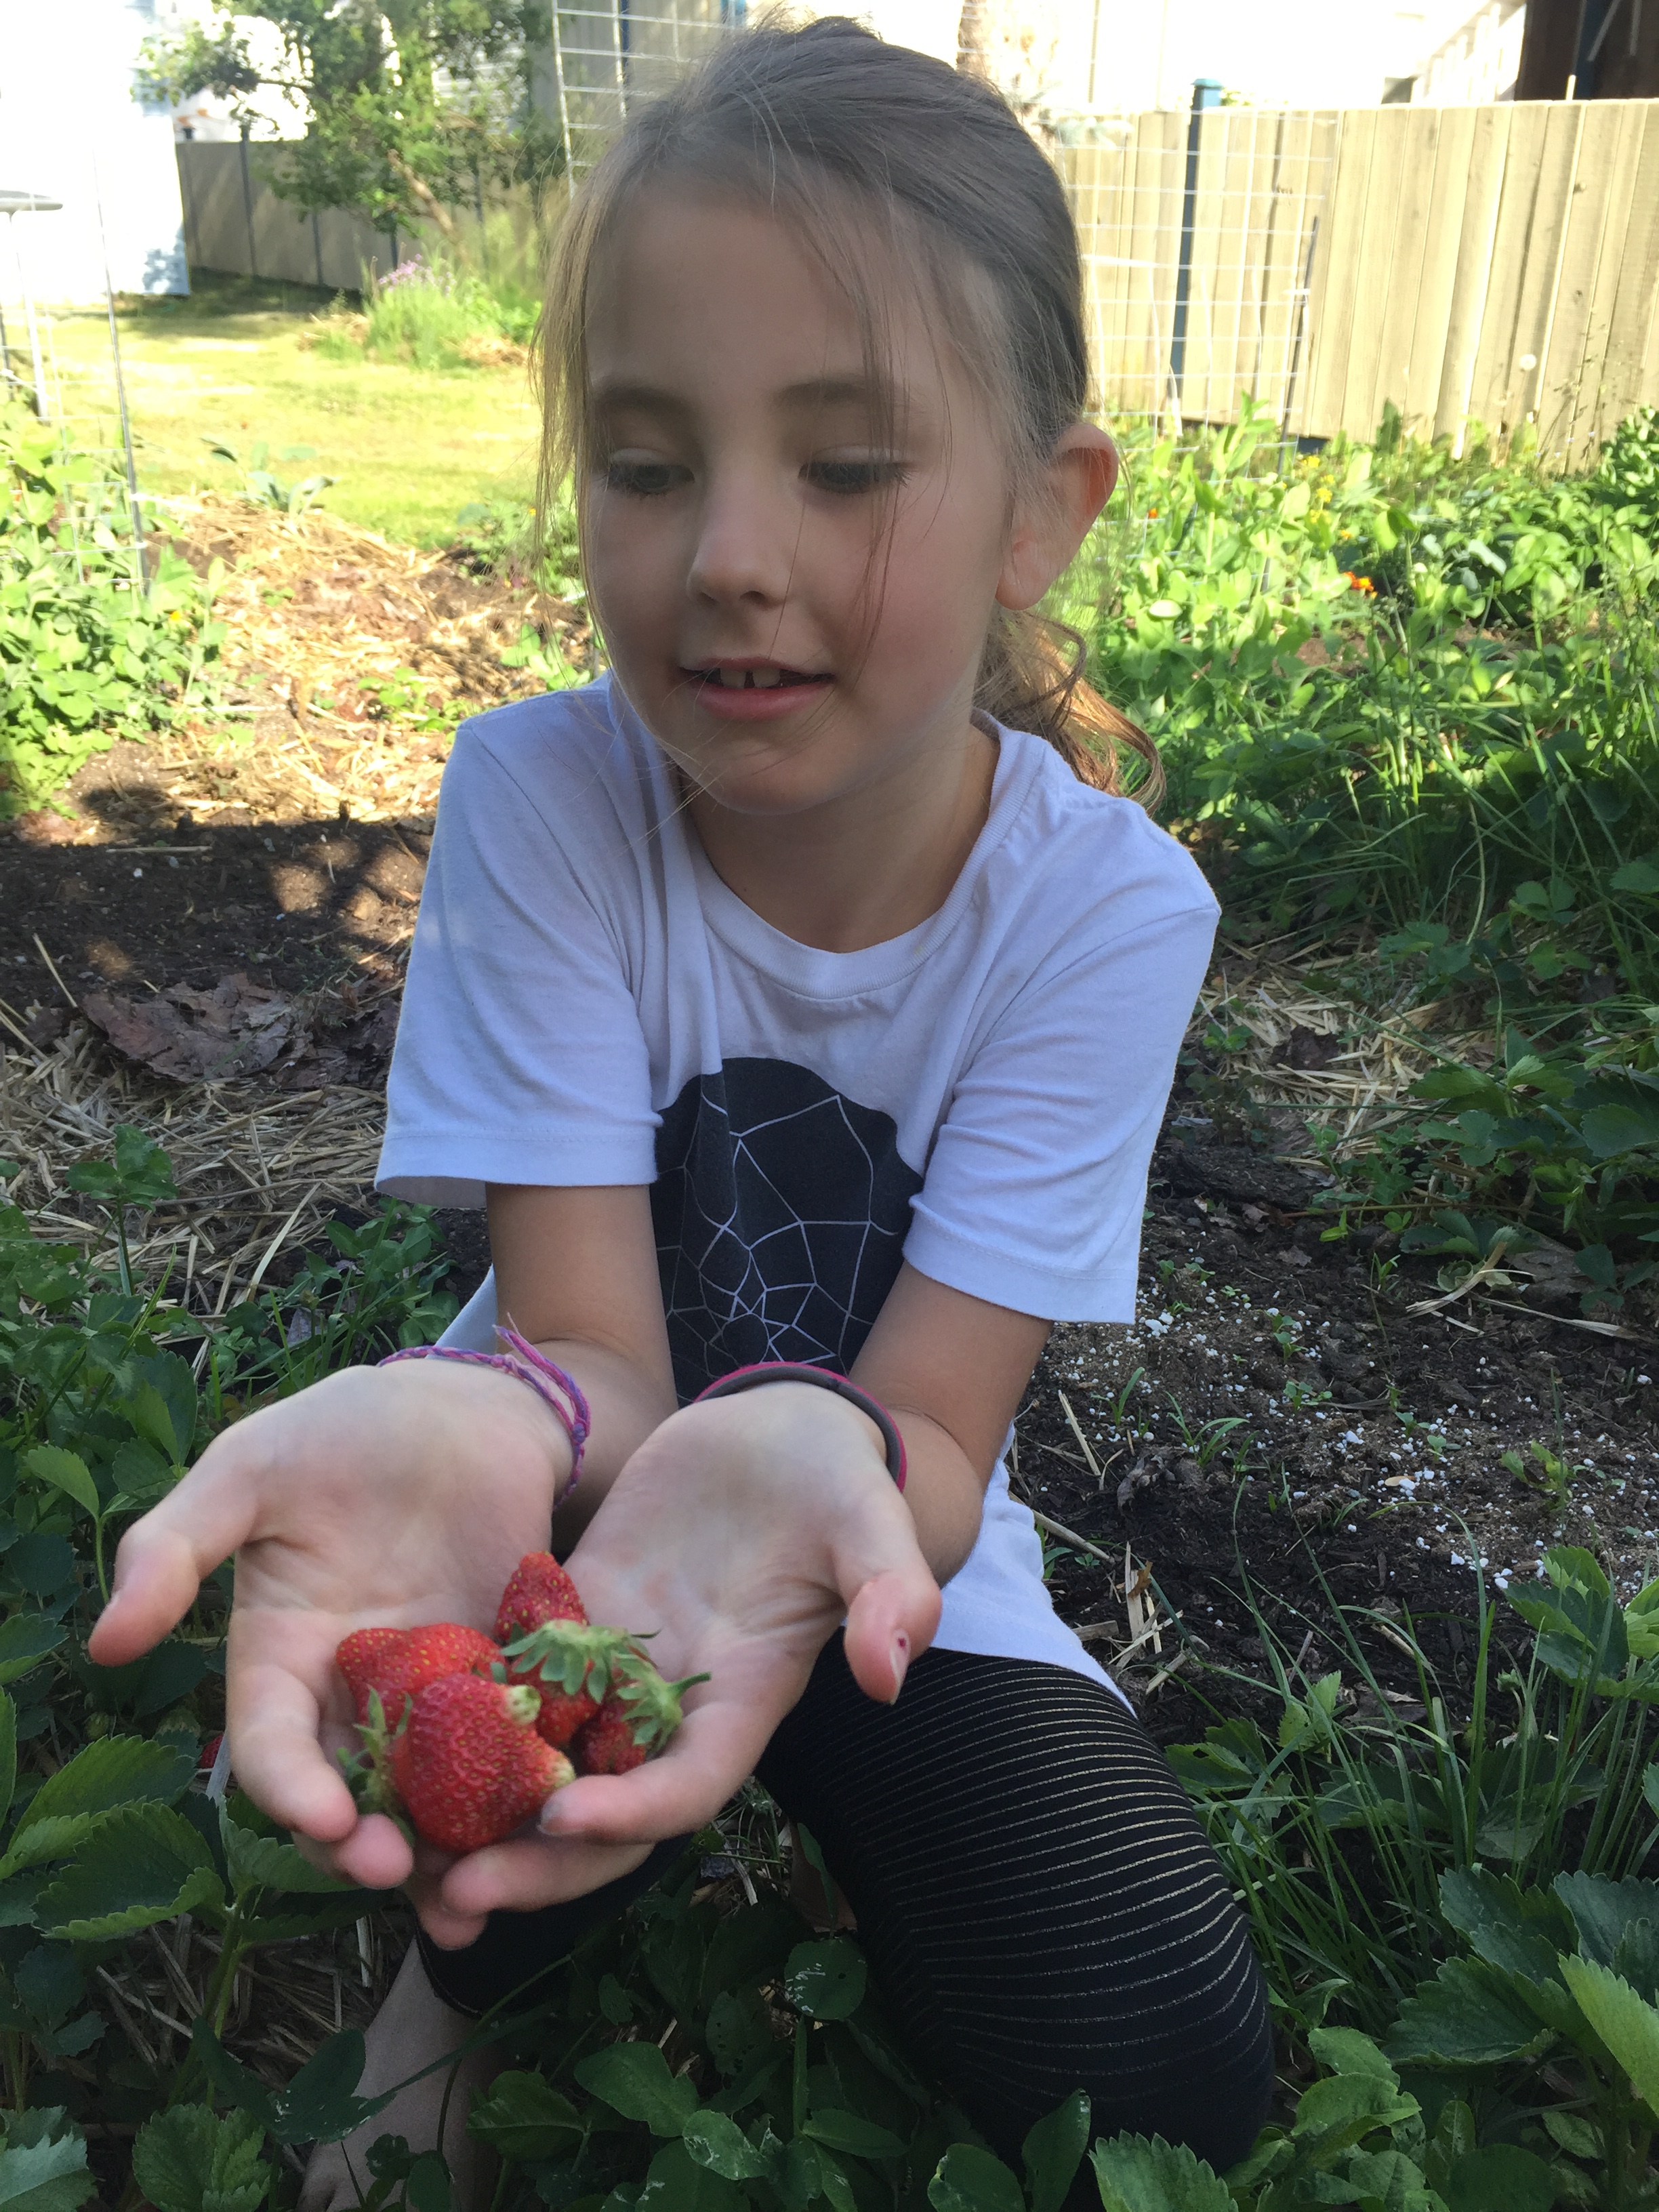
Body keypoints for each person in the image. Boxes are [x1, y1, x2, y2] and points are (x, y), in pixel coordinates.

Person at [89, 18, 1274, 2205]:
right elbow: (596, 1357)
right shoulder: (544, 795)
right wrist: (490, 1430)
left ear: (1044, 512)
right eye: (645, 465)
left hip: (891, 1527)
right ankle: (448, 1997)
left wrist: (825, 1475)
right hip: (553, 1465)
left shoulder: (1109, 911)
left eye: (846, 466)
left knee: (1155, 2054)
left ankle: (819, 1834)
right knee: (486, 1810)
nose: (727, 549)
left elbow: (936, 1441)